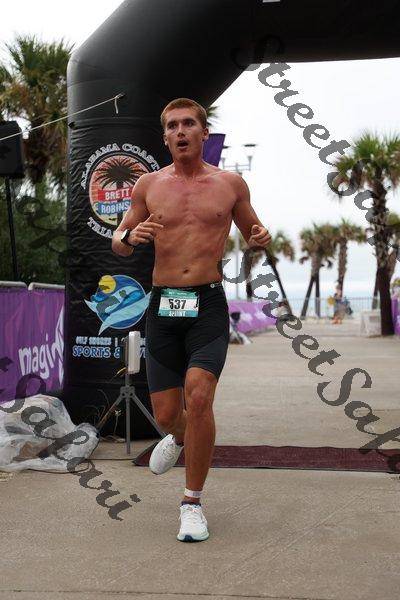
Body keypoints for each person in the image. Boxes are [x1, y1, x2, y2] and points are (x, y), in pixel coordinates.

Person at [112, 98, 271, 542]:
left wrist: (260, 239)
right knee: (167, 415)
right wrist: (130, 235)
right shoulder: (148, 185)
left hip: (207, 304)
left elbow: (255, 236)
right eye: (172, 126)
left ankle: (191, 503)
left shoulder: (230, 184)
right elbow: (119, 242)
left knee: (198, 397)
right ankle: (179, 437)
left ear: (204, 133)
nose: (180, 131)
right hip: (163, 305)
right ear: (165, 137)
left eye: (188, 124)